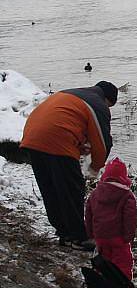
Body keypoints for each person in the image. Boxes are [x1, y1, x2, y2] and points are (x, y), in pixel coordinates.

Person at [20, 81, 117, 250]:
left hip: (32, 137)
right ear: (107, 100)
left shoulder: (72, 93)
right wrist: (95, 167)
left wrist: (79, 145)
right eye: (110, 105)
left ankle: (64, 233)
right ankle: (79, 238)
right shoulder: (98, 104)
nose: (108, 109)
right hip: (56, 139)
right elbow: (103, 142)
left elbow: (66, 120)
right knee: (72, 189)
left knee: (51, 188)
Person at [84, 157, 137, 280]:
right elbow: (130, 218)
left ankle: (104, 280)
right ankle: (123, 284)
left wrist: (91, 233)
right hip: (118, 237)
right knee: (123, 261)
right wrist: (128, 237)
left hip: (100, 236)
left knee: (104, 258)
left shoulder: (95, 193)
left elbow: (89, 214)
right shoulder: (127, 195)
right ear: (124, 177)